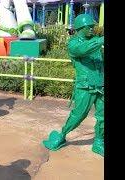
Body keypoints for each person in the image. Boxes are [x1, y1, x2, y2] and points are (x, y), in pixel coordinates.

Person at [42, 14, 104, 156]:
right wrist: (101, 40)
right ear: (80, 28)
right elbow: (83, 50)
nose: (92, 29)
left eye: (93, 27)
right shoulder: (73, 44)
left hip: (101, 86)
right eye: (89, 27)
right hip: (85, 87)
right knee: (79, 115)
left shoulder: (95, 41)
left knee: (103, 117)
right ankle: (62, 135)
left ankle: (99, 142)